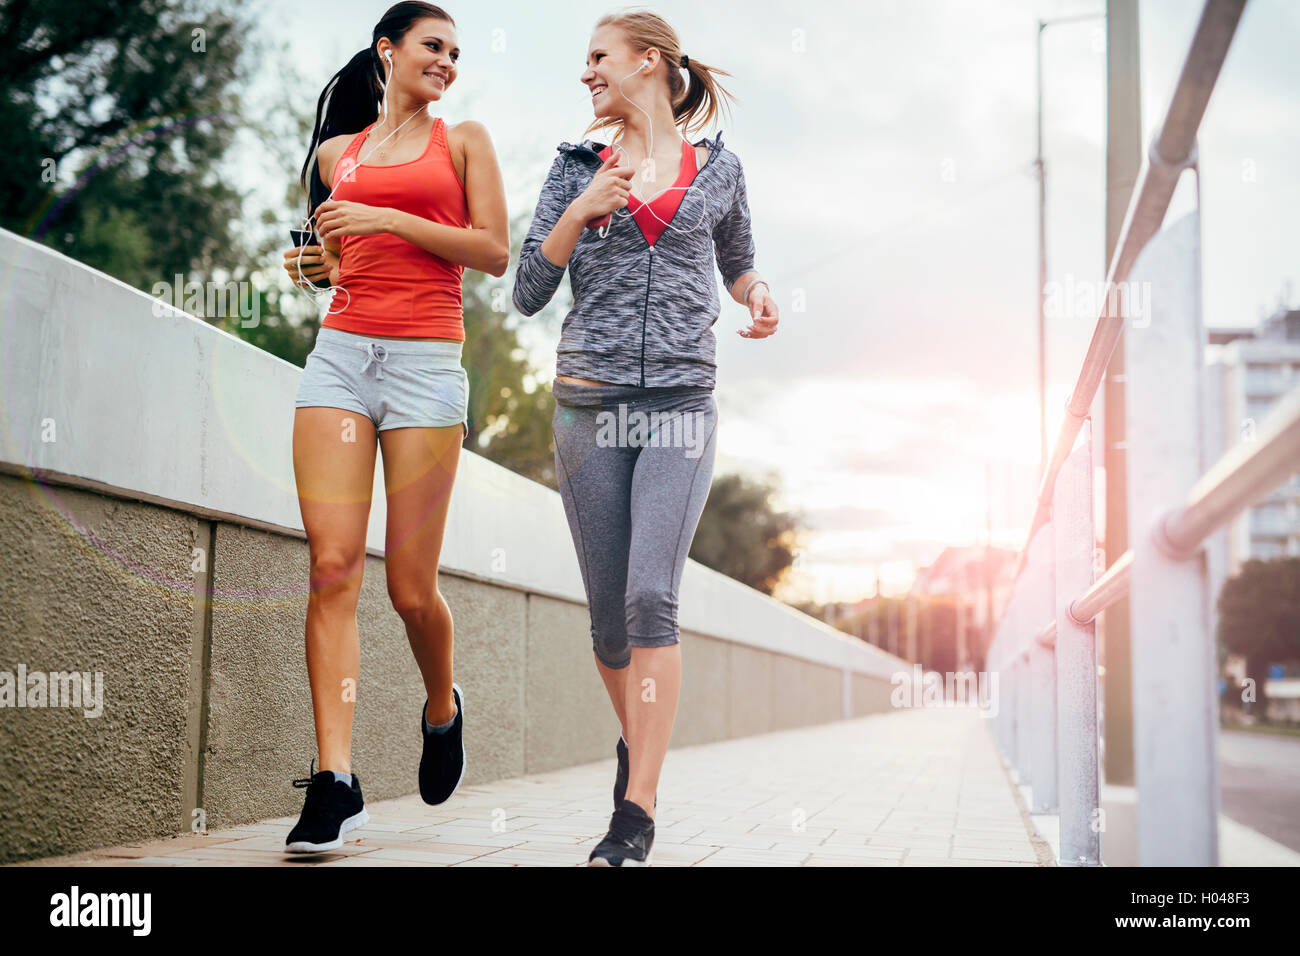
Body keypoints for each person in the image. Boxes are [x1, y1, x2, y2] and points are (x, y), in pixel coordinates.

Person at [512, 9, 778, 866]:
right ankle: (640, 744)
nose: (586, 73)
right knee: (607, 627)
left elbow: (737, 257)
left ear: (651, 63)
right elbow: (525, 290)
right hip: (589, 410)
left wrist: (755, 291)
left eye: (598, 57)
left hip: (680, 404)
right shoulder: (573, 168)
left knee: (650, 598)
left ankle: (636, 810)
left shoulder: (720, 168)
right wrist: (580, 212)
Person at [280, 1, 508, 853]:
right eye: (432, 46)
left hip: (423, 370)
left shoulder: (464, 142)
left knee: (411, 590)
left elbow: (491, 249)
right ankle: (335, 782)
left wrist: (383, 219)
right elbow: (327, 259)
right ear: (390, 51)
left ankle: (441, 708)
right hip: (340, 359)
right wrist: (315, 261)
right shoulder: (339, 155)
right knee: (333, 565)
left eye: (455, 51)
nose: (447, 61)